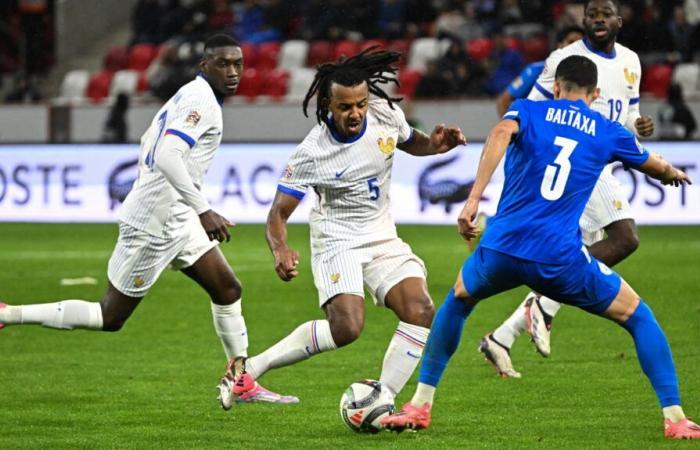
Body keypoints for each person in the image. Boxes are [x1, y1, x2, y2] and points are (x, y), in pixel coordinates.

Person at [381, 55, 700, 440]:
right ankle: (676, 418)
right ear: (596, 94)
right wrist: (673, 173)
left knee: (458, 300)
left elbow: (499, 135)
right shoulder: (607, 130)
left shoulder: (528, 110)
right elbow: (653, 164)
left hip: (502, 249)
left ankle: (419, 404)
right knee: (639, 317)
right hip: (559, 259)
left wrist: (473, 200)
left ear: (556, 87)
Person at [0, 34, 295, 405]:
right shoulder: (201, 100)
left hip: (175, 216)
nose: (233, 71)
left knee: (227, 289)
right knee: (109, 316)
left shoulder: (191, 94)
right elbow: (169, 155)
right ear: (205, 66)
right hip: (154, 223)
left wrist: (186, 207)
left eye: (238, 64)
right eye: (223, 63)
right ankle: (9, 314)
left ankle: (240, 379)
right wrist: (203, 209)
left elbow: (150, 142)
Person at [216, 47, 466, 407]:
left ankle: (383, 401)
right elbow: (277, 214)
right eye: (346, 107)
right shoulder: (313, 152)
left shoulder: (386, 114)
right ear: (327, 106)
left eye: (361, 104)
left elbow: (414, 143)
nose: (356, 113)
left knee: (421, 309)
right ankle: (249, 370)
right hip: (336, 240)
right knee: (347, 328)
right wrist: (280, 249)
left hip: (381, 235)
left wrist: (437, 146)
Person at [481, 0, 657, 378]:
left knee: (587, 248)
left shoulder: (631, 62)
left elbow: (626, 112)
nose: (597, 19)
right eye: (592, 13)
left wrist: (637, 124)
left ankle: (504, 334)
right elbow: (531, 110)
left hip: (598, 160)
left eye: (605, 14)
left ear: (618, 21)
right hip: (574, 158)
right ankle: (540, 304)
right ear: (583, 19)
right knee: (624, 238)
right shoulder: (563, 59)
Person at [496, 25, 584, 116]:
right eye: (571, 42)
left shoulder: (590, 76)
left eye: (580, 44)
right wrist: (509, 127)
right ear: (560, 45)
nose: (575, 47)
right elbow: (504, 100)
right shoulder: (536, 70)